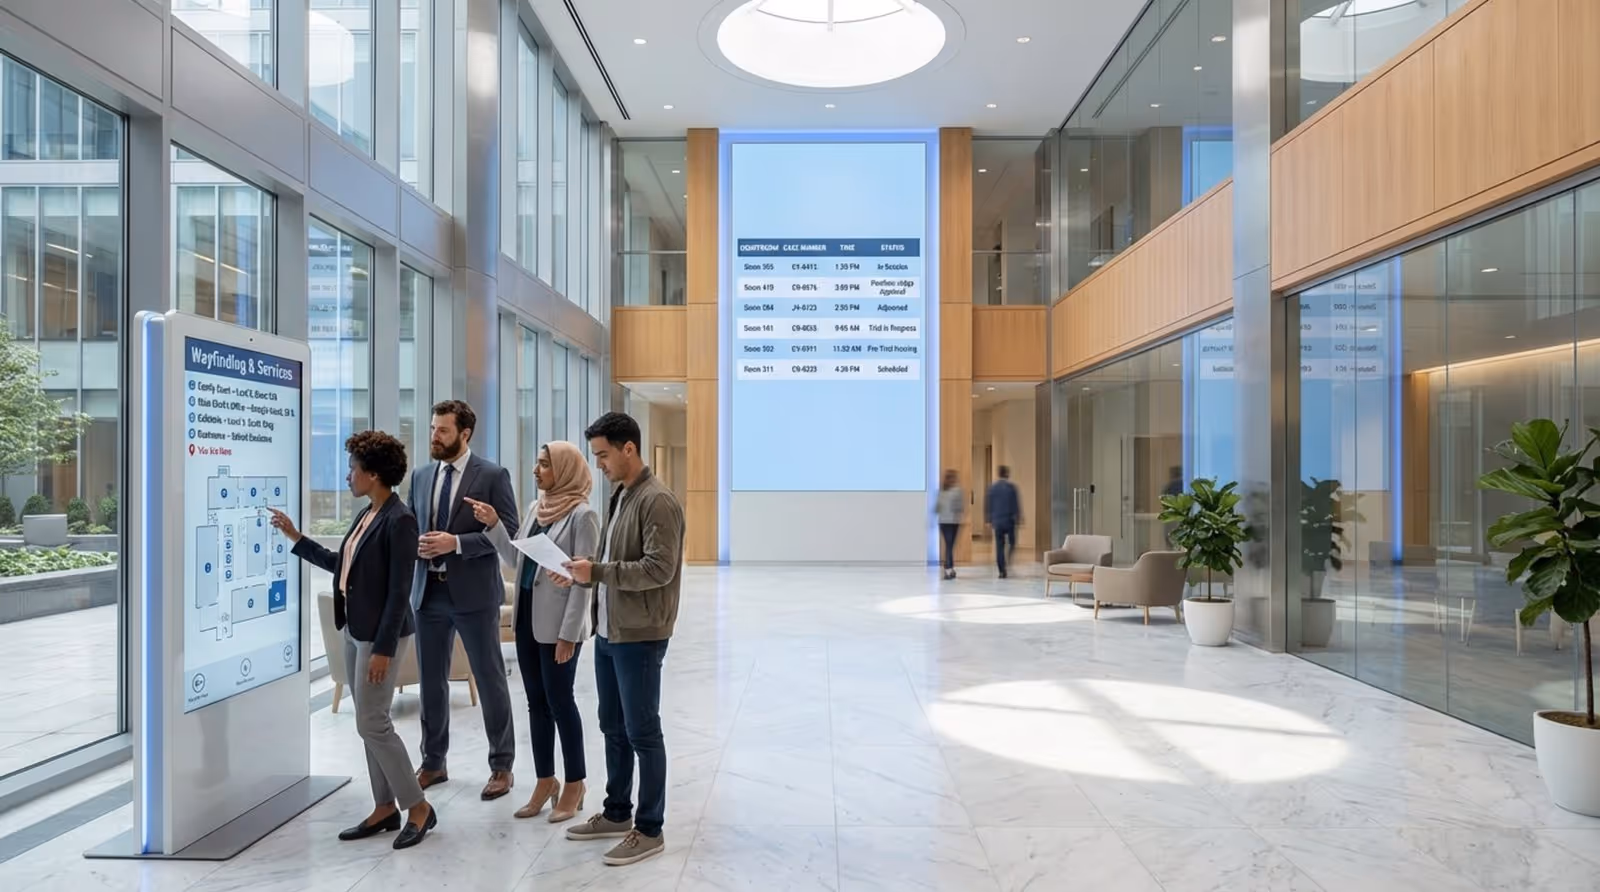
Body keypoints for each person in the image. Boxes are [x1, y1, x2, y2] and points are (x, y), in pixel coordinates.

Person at [269, 431, 438, 850]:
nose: (348, 476)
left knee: (372, 723)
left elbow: (400, 591)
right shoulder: (368, 514)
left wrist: (382, 649)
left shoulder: (400, 520)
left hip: (380, 638)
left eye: (354, 469)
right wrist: (296, 538)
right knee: (368, 726)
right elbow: (341, 566)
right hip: (356, 630)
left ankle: (418, 807)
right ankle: (385, 807)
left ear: (374, 474)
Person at [560, 412, 684, 868]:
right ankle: (616, 813)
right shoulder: (620, 495)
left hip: (641, 635)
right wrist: (582, 572)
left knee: (643, 732)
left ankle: (649, 828)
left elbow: (659, 569)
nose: (600, 465)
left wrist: (599, 573)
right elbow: (611, 560)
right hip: (610, 632)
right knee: (612, 726)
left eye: (603, 455)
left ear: (628, 449)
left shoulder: (659, 502)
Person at [467, 441, 600, 824]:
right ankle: (545, 781)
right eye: (537, 463)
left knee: (561, 703)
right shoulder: (533, 510)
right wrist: (494, 525)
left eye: (544, 465)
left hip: (558, 627)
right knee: (536, 705)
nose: (536, 470)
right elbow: (515, 560)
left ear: (565, 470)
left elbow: (582, 581)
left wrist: (569, 635)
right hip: (526, 621)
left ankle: (575, 783)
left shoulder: (583, 516)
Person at [407, 400, 521, 801]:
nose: (434, 436)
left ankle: (501, 766)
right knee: (431, 685)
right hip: (428, 594)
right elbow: (411, 525)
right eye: (433, 428)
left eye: (442, 430)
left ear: (464, 433)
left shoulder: (491, 475)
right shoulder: (421, 476)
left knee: (489, 680)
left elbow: (508, 533)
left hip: (473, 595)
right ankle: (433, 762)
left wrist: (455, 543)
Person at [986, 466, 1022, 579]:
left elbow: (988, 505)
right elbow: (1016, 504)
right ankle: (1008, 558)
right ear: (1007, 474)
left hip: (997, 521)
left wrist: (988, 519)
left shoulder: (992, 488)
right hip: (1009, 520)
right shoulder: (1012, 488)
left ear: (998, 474)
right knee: (1012, 542)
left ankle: (1002, 570)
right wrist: (1019, 517)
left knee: (999, 546)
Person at [936, 470, 964, 580]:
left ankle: (950, 568)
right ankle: (948, 568)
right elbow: (959, 507)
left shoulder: (941, 491)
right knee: (950, 546)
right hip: (952, 522)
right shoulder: (957, 491)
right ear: (953, 479)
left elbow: (937, 507)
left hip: (942, 522)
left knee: (949, 545)